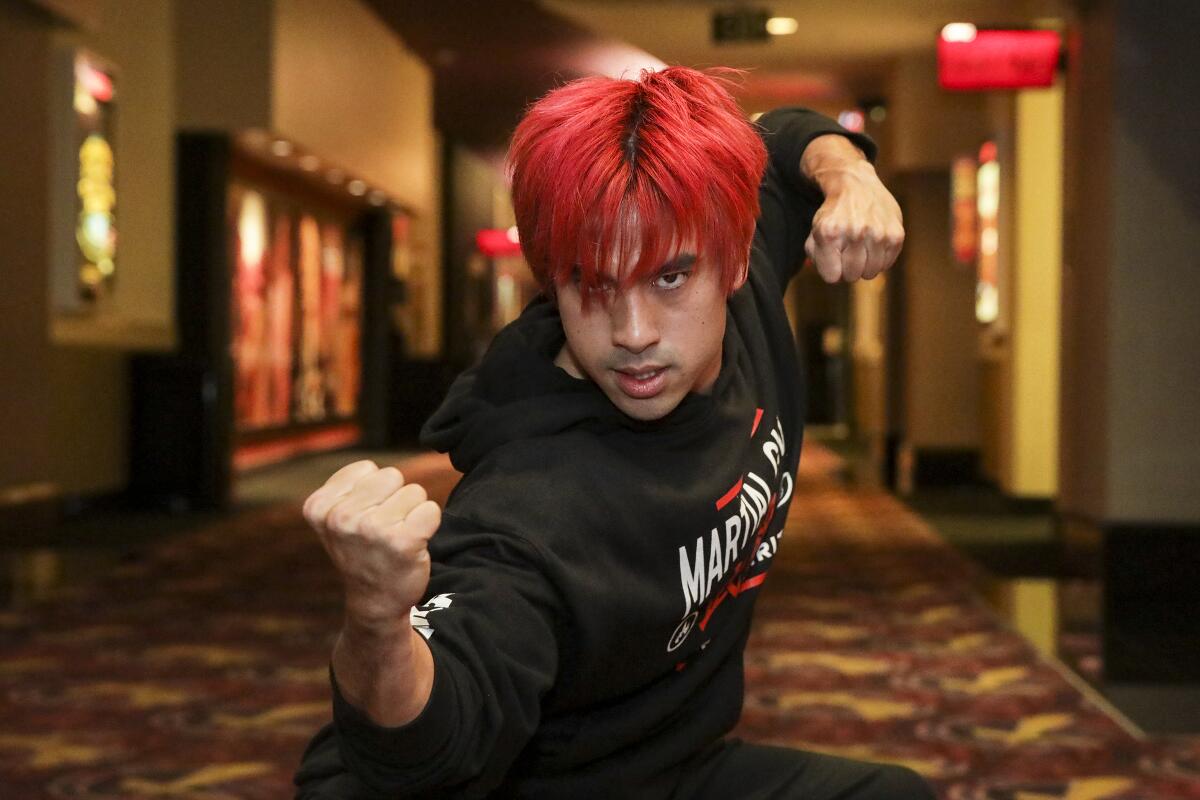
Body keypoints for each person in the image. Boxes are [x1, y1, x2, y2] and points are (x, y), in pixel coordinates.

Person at [294, 66, 933, 799]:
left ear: (731, 257)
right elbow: (431, 747)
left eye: (668, 279)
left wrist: (849, 174)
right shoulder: (529, 508)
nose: (633, 334)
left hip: (668, 769)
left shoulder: (741, 267)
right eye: (593, 284)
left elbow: (785, 135)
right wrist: (377, 620)